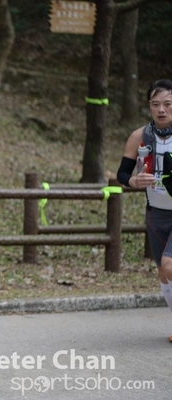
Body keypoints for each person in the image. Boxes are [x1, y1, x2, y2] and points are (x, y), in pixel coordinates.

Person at [116, 79, 172, 342]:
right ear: (149, 106)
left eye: (168, 104)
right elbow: (122, 173)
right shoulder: (140, 136)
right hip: (156, 211)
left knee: (169, 265)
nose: (161, 109)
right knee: (163, 272)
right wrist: (133, 181)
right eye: (156, 104)